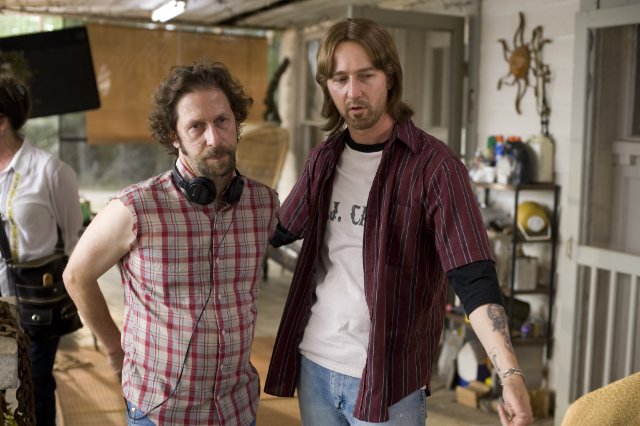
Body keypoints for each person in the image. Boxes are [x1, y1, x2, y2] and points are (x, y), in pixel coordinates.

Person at [264, 17, 533, 426]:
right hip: (315, 366)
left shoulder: (435, 167)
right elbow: (277, 231)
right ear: (327, 86)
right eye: (340, 79)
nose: (353, 91)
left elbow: (473, 276)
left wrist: (509, 374)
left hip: (390, 382)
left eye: (366, 75)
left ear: (389, 77)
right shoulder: (324, 159)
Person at [63, 61, 279, 426]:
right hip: (160, 411)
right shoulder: (135, 206)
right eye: (196, 126)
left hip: (238, 409)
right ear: (173, 136)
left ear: (237, 122)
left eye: (222, 121)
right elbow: (75, 276)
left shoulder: (264, 203)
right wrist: (114, 351)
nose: (214, 138)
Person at [0, 74, 83, 425]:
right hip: (1, 304)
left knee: (33, 386)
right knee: (5, 389)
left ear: (2, 122)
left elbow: (76, 245)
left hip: (37, 304)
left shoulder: (51, 171)